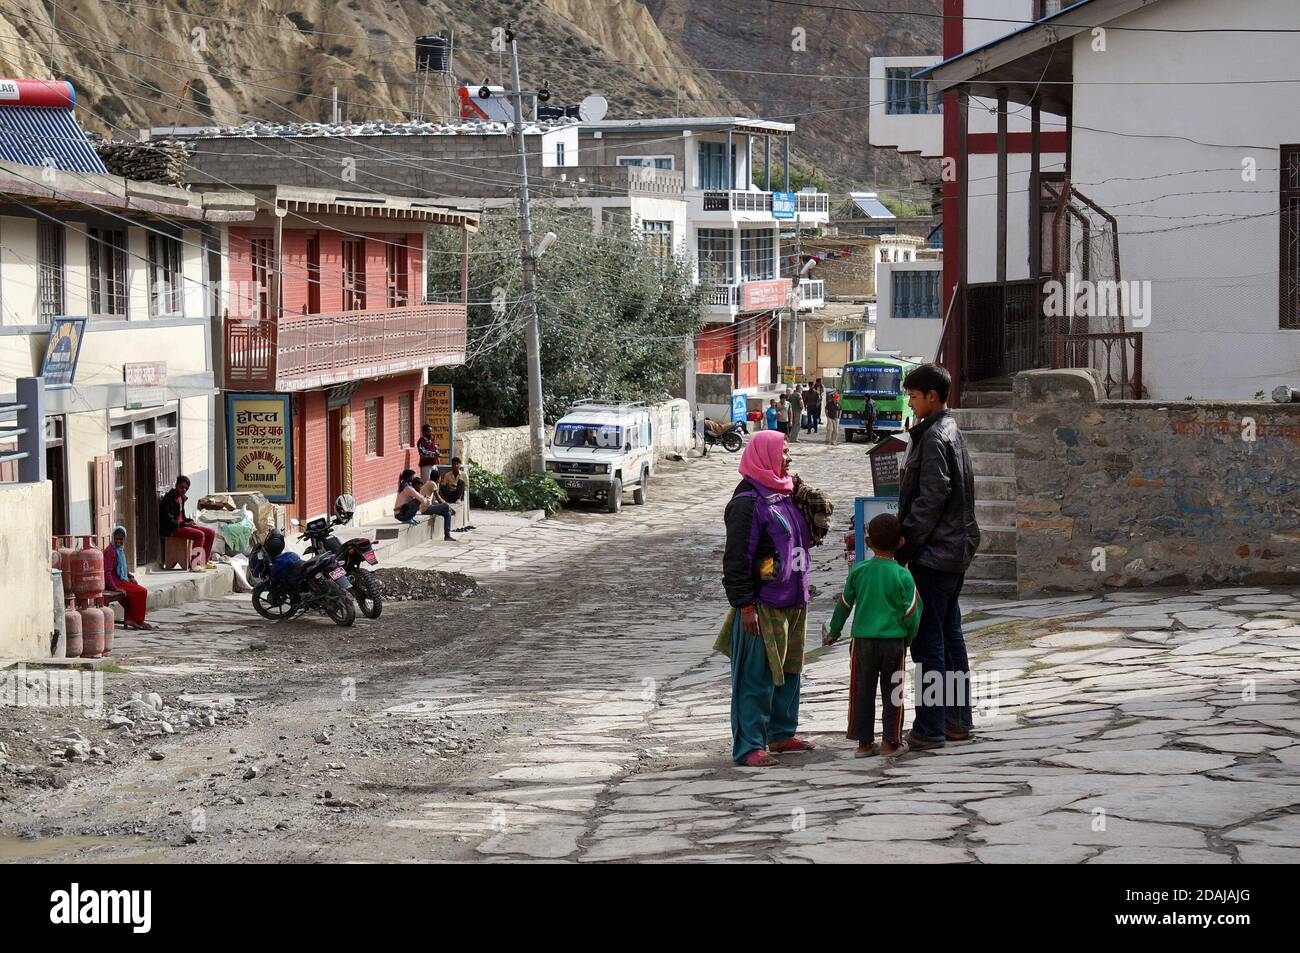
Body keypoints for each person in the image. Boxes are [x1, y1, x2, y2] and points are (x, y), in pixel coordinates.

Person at [713, 429, 815, 767]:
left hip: (793, 598)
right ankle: (749, 745)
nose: (788, 457)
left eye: (787, 451)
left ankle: (781, 733)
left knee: (789, 670)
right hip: (762, 602)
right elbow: (737, 558)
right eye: (783, 451)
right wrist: (744, 604)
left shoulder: (785, 492)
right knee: (756, 676)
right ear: (765, 456)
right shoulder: (746, 503)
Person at [896, 363, 980, 751]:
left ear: (932, 396)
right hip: (954, 551)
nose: (910, 403)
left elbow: (932, 497)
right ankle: (957, 720)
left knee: (930, 643)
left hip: (934, 555)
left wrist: (905, 543)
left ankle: (929, 727)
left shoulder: (933, 437)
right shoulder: (950, 430)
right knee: (951, 637)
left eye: (914, 396)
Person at [823, 513, 920, 758]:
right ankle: (890, 744)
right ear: (900, 543)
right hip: (893, 642)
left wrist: (833, 632)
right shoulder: (903, 575)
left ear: (868, 542)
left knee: (861, 691)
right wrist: (907, 638)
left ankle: (864, 744)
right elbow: (912, 612)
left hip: (862, 643)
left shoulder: (859, 571)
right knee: (893, 693)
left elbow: (844, 604)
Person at [103, 526, 156, 630]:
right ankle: (138, 620)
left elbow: (123, 567)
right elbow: (107, 572)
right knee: (142, 591)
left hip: (120, 580)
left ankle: (132, 618)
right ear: (113, 538)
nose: (118, 541)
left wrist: (130, 577)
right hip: (115, 583)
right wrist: (114, 588)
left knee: (137, 590)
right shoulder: (110, 551)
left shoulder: (119, 550)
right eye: (117, 539)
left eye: (121, 539)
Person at [160, 476, 216, 569]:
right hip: (172, 529)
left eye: (186, 488)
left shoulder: (181, 498)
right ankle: (195, 564)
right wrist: (184, 524)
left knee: (211, 533)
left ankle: (203, 562)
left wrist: (190, 521)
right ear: (176, 485)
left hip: (182, 526)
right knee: (200, 535)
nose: (184, 490)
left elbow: (183, 517)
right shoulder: (168, 499)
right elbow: (169, 521)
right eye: (182, 487)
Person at [393, 474, 459, 542]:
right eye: (420, 486)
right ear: (416, 485)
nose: (421, 488)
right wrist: (425, 498)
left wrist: (425, 499)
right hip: (401, 515)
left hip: (402, 513)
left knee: (447, 513)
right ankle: (408, 518)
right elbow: (423, 500)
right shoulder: (410, 489)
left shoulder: (414, 490)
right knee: (446, 506)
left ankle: (447, 535)